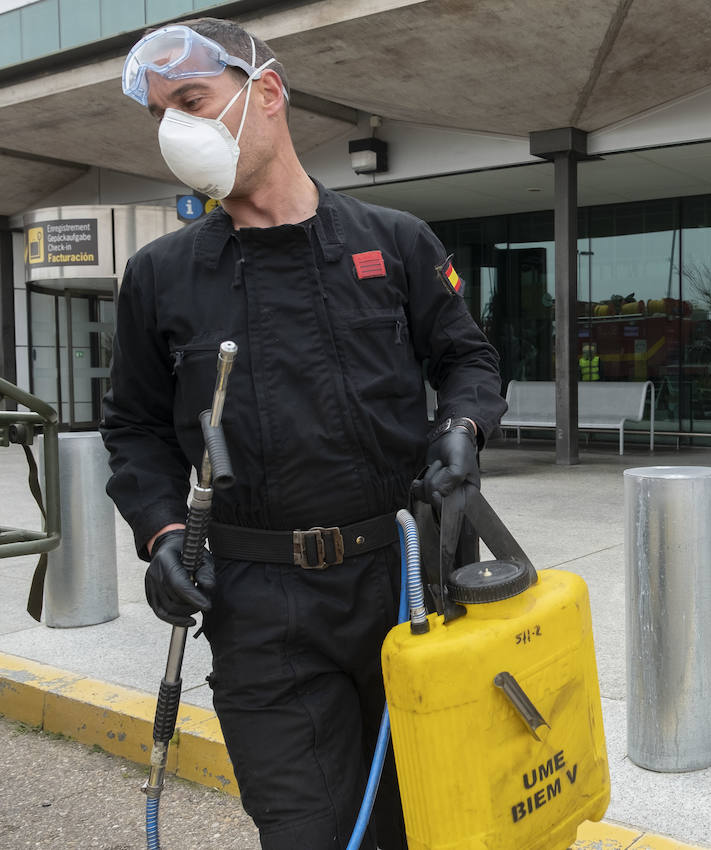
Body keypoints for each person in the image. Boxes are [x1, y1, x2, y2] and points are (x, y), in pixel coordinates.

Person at [100, 18, 505, 848]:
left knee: (430, 818)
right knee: (307, 831)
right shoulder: (160, 275)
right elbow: (135, 429)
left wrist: (461, 430)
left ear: (268, 93)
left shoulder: (393, 243)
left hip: (406, 583)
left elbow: (468, 360)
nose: (175, 130)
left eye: (191, 100)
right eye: (159, 115)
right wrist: (163, 533)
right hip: (258, 608)